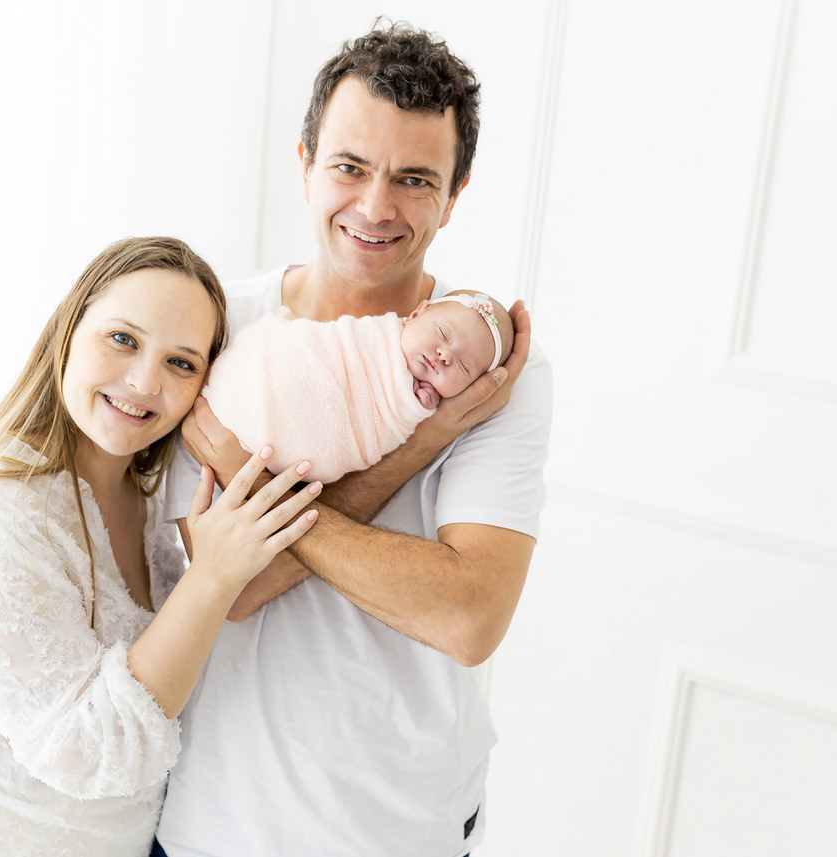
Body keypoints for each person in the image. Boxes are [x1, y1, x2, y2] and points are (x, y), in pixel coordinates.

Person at [154, 22, 553, 857]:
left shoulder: (482, 368)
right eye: (349, 166)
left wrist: (246, 474)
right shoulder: (215, 325)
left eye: (414, 179)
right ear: (304, 164)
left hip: (399, 830)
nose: (375, 207)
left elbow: (469, 617)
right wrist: (421, 443)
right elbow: (229, 587)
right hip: (211, 821)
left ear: (455, 196)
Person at [0, 237, 321, 856]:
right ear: (69, 331)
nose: (144, 381)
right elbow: (88, 754)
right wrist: (211, 577)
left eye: (181, 363)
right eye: (123, 339)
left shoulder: (147, 496)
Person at [203, 289, 513, 482]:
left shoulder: (425, 400)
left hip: (324, 438)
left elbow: (389, 421)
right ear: (417, 313)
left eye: (463, 366)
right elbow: (339, 342)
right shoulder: (376, 335)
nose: (445, 355)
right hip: (286, 366)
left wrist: (415, 406)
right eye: (443, 334)